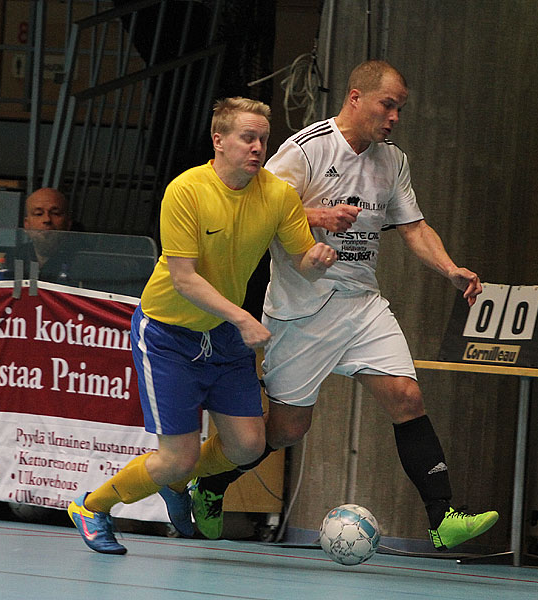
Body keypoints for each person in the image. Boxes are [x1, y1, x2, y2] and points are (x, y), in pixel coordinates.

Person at [188, 60, 499, 551]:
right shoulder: (306, 149)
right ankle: (210, 483)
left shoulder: (393, 160)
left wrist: (449, 268)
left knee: (407, 397)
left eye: (400, 108)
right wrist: (317, 215)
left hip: (362, 304)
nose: (394, 116)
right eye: (387, 104)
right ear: (355, 98)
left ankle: (443, 518)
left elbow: (414, 226)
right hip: (302, 308)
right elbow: (253, 208)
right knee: (288, 429)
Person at [66, 97, 337, 554]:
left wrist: (318, 258)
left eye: (263, 140)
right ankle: (93, 507)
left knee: (249, 446)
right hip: (169, 334)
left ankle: (180, 480)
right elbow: (184, 278)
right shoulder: (187, 190)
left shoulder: (278, 195)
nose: (257, 148)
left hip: (224, 336)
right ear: (219, 140)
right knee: (177, 456)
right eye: (247, 138)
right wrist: (242, 317)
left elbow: (302, 259)